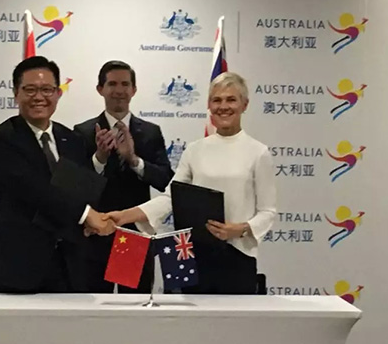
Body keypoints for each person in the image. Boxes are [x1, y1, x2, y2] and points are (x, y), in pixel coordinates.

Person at [107, 72, 276, 295]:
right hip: (193, 254)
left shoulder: (258, 152)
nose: (223, 106)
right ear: (209, 105)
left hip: (238, 256)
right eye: (217, 100)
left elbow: (267, 212)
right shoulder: (195, 150)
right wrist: (124, 216)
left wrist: (239, 229)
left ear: (244, 105)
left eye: (231, 100)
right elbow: (170, 198)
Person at [0, 56, 114, 294]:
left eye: (47, 90)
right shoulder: (2, 139)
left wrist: (100, 161)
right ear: (16, 93)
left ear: (58, 93)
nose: (39, 97)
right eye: (30, 90)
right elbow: (34, 190)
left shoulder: (72, 139)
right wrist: (86, 214)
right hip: (19, 265)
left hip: (70, 265)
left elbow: (78, 186)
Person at [74, 61, 173, 293]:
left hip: (134, 235)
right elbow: (76, 187)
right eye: (112, 84)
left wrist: (134, 160)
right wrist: (99, 158)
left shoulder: (150, 132)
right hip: (95, 235)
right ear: (100, 89)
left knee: (134, 307)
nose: (119, 90)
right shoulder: (83, 132)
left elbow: (164, 180)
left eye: (125, 84)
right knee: (95, 307)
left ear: (134, 90)